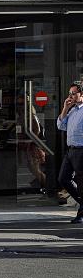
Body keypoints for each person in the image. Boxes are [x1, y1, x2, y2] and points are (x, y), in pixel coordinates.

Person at [57, 82, 83, 223]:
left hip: (81, 150)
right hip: (70, 150)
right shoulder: (72, 110)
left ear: (81, 94)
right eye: (70, 93)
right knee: (63, 178)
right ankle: (82, 202)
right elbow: (61, 125)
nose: (71, 96)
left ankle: (81, 214)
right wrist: (65, 108)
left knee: (81, 182)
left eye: (74, 93)